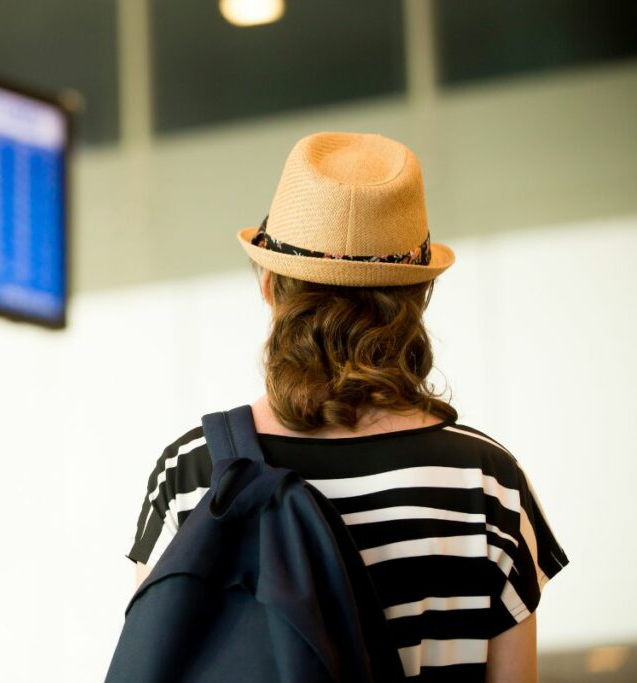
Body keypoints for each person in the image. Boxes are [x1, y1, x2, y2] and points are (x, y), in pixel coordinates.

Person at [124, 131, 568, 682]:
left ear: (269, 285)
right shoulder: (488, 485)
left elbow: (155, 655)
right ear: (417, 296)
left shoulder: (196, 472)